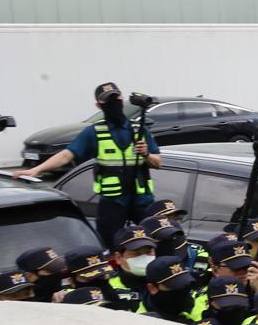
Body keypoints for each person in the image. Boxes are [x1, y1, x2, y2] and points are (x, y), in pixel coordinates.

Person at [14, 82, 162, 245]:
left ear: (122, 98)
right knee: (110, 246)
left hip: (142, 201)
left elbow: (157, 163)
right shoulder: (94, 132)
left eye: (116, 97)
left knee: (154, 241)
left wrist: (146, 154)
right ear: (99, 105)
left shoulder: (139, 130)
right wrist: (36, 170)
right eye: (108, 100)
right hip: (112, 204)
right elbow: (66, 156)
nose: (113, 102)